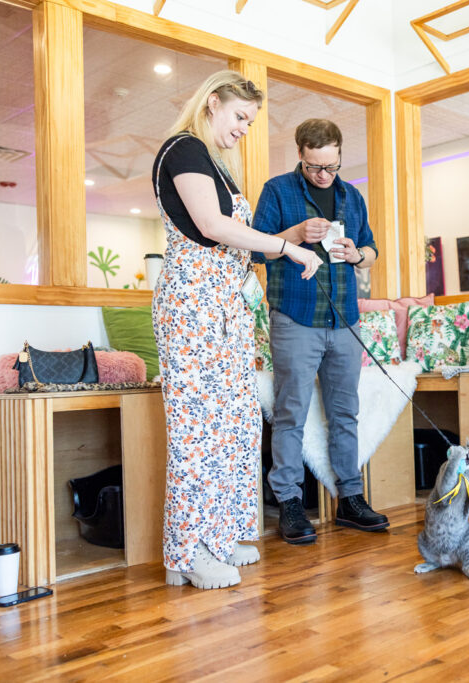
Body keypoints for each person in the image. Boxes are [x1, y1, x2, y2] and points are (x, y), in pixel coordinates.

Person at [151, 71, 321, 589]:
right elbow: (213, 226)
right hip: (193, 312)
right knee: (198, 432)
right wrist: (288, 248)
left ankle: (218, 535)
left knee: (234, 426)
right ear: (212, 102)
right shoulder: (184, 150)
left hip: (224, 313)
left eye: (250, 121)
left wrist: (288, 240)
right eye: (240, 116)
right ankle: (188, 553)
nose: (245, 128)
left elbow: (238, 241)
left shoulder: (216, 165)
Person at [252, 118, 388, 544]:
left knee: (345, 412)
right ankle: (290, 503)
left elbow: (372, 250)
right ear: (300, 155)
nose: (324, 175)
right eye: (314, 167)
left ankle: (350, 499)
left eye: (331, 166)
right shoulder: (277, 190)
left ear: (340, 155)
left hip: (344, 317)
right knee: (290, 412)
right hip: (295, 316)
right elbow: (255, 249)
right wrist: (294, 234)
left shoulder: (352, 196)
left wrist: (357, 254)